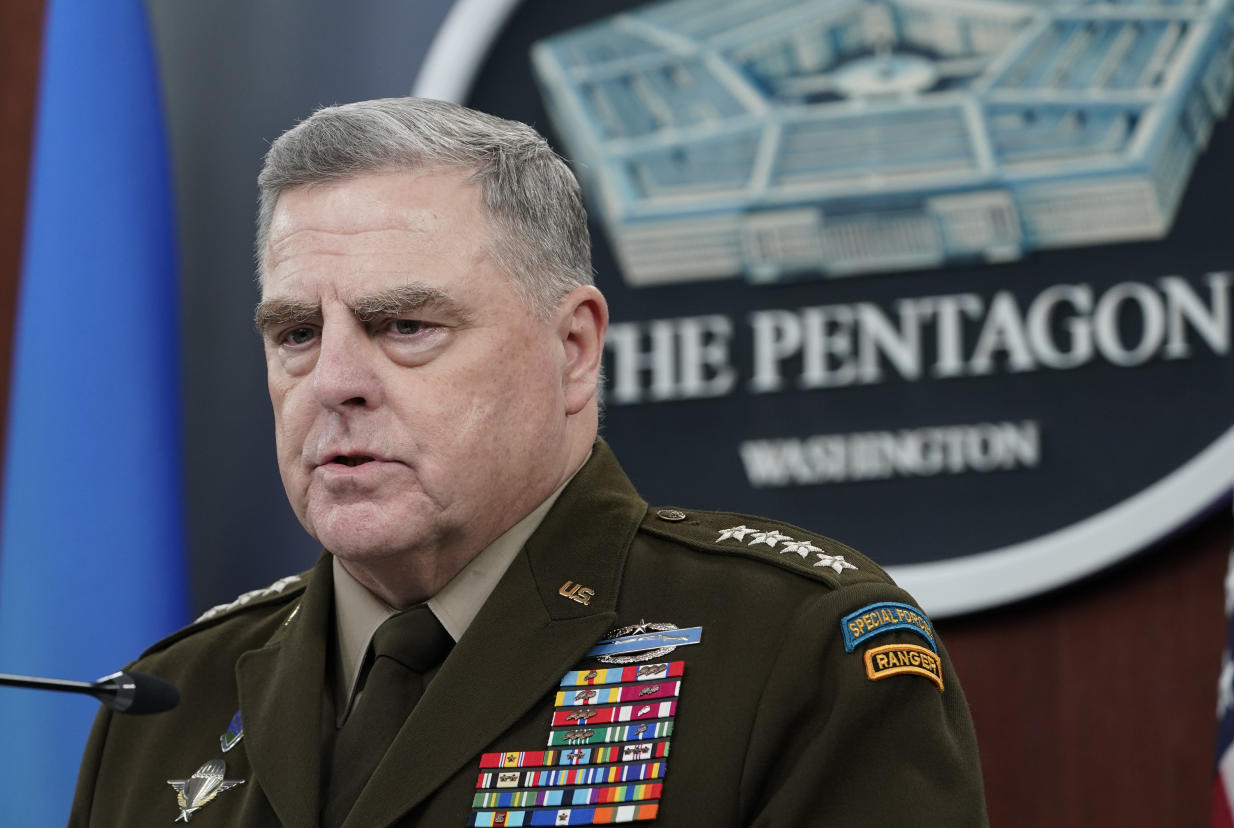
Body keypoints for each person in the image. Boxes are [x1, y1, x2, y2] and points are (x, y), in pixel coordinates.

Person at [70, 97, 987, 827]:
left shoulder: (792, 653)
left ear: (575, 348)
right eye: (297, 333)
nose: (335, 382)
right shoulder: (166, 703)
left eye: (406, 327)